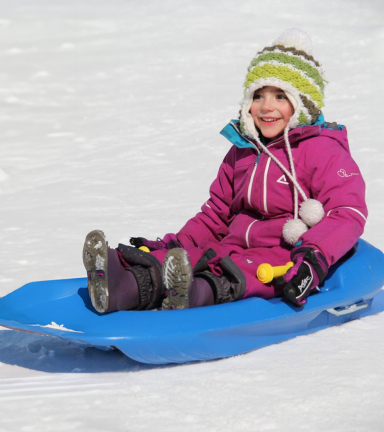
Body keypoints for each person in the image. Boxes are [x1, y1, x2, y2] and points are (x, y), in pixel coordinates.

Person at [82, 29, 367, 313]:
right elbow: (216, 213)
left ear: (302, 104)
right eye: (258, 96)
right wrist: (176, 245)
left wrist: (311, 260)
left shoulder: (322, 150)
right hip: (231, 244)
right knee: (193, 258)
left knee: (232, 273)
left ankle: (189, 295)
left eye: (280, 96)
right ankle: (120, 285)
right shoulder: (243, 149)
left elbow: (347, 212)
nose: (266, 107)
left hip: (281, 256)